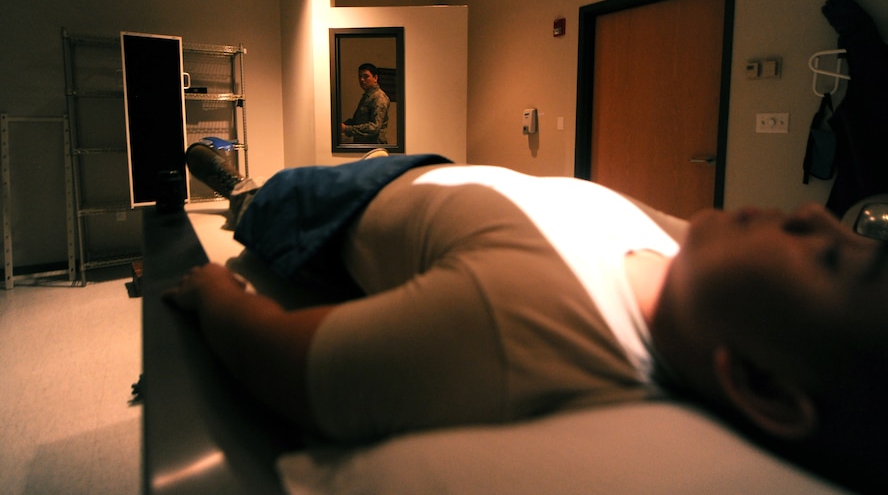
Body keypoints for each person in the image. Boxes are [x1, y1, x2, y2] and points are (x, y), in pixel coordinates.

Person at [167, 146, 888, 493]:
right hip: (454, 167)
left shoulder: (524, 325)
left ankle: (241, 190)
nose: (813, 217)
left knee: (264, 199)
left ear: (761, 382)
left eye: (831, 263)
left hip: (343, 205)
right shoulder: (689, 251)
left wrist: (213, 293)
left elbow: (288, 365)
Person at [341, 62, 389, 144]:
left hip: (374, 148)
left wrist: (347, 129)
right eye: (360, 76)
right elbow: (358, 121)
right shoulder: (368, 96)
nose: (362, 80)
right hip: (365, 146)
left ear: (375, 78)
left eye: (366, 76)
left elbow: (374, 127)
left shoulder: (379, 97)